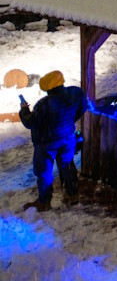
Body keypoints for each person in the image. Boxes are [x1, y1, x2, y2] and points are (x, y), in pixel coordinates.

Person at [19, 70, 84, 211]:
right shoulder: (75, 93)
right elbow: (81, 108)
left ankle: (44, 201)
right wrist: (69, 122)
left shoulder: (43, 104)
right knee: (67, 165)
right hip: (67, 137)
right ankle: (72, 196)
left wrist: (24, 111)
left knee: (44, 171)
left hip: (46, 143)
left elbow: (30, 123)